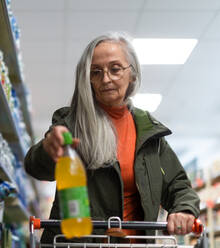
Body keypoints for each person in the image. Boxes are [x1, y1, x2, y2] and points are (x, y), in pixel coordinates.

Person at [24, 32, 200, 244]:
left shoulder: (148, 131)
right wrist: (47, 149)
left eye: (115, 69)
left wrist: (184, 209)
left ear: (132, 74)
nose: (105, 78)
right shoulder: (71, 122)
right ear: (88, 79)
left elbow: (179, 185)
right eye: (96, 72)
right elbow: (35, 167)